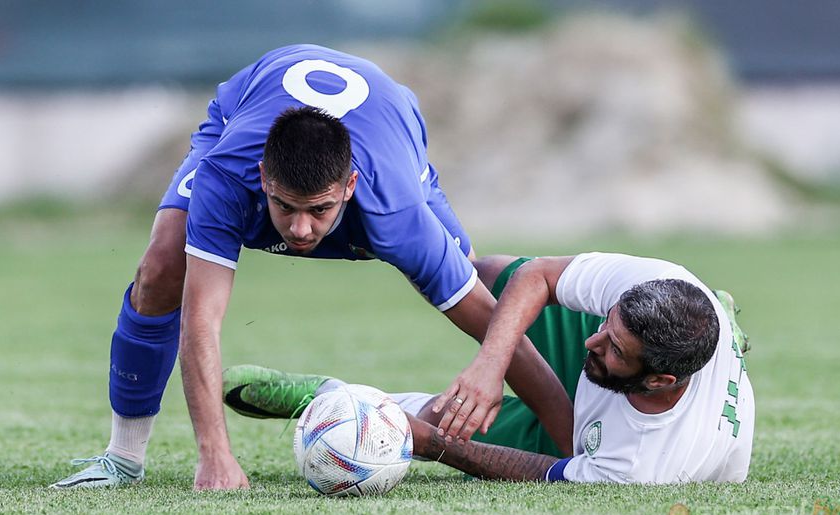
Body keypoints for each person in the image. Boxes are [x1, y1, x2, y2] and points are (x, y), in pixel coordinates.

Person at [52, 44, 572, 490]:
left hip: (391, 121)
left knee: (472, 283)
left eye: (319, 210)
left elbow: (496, 332)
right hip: (251, 102)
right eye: (285, 208)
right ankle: (123, 457)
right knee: (164, 263)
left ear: (348, 188)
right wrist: (216, 456)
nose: (300, 230)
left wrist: (574, 451)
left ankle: (568, 420)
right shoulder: (229, 178)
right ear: (262, 180)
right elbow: (200, 322)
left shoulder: (394, 212)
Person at [224, 252, 754, 483]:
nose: (593, 340)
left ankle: (332, 398)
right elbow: (539, 277)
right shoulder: (658, 281)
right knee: (488, 275)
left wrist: (435, 446)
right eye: (606, 325)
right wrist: (490, 365)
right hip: (634, 373)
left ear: (662, 379)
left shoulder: (640, 467)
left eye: (614, 347)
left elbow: (542, 475)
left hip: (594, 444)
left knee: (443, 422)